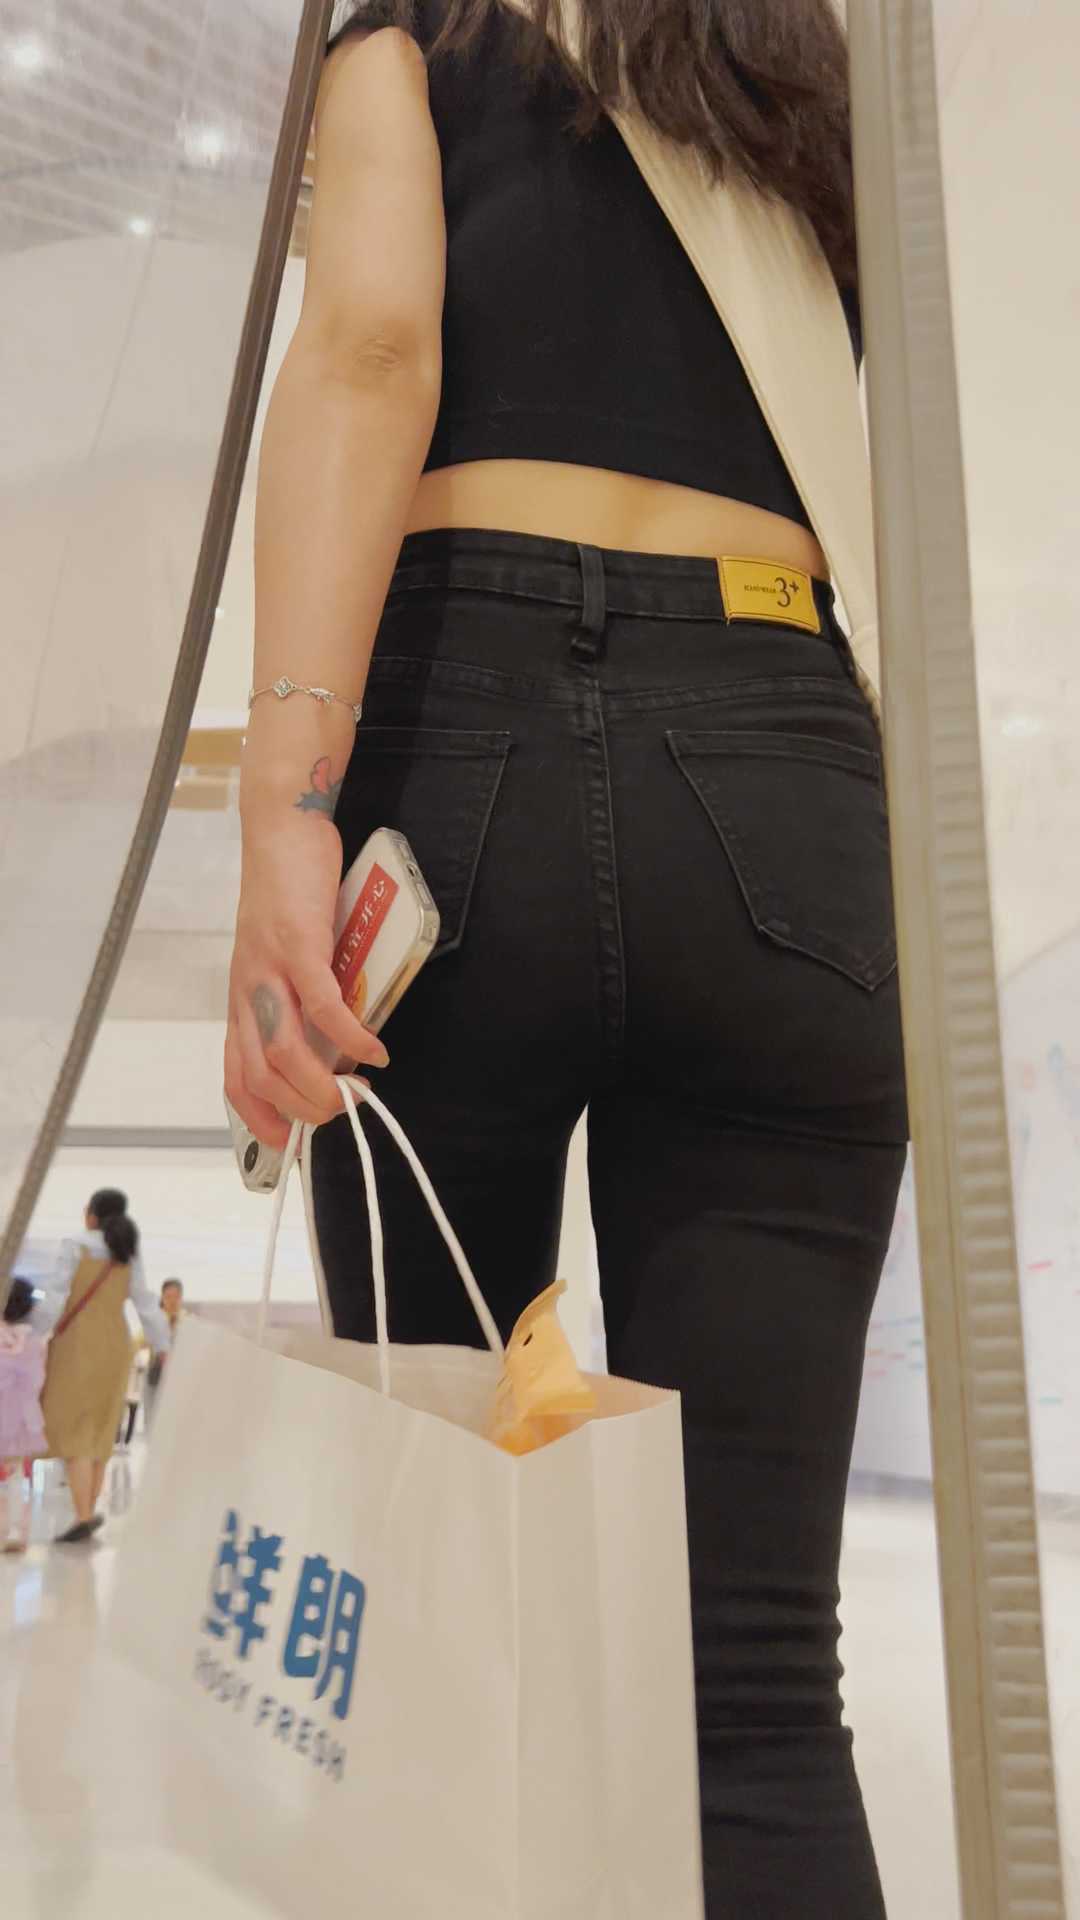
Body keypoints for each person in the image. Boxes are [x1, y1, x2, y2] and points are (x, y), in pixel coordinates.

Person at [225, 4, 907, 1914]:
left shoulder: (420, 16)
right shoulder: (809, 57)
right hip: (784, 757)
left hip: (465, 759)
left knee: (438, 1643)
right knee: (756, 1686)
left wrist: (283, 808)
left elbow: (371, 344)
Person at [40, 1190, 169, 1544]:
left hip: (77, 1343)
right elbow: (146, 1304)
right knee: (101, 1427)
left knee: (74, 1428)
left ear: (92, 1215)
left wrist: (33, 1332)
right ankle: (87, 1511)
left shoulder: (74, 1245)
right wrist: (163, 1346)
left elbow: (55, 1298)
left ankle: (83, 1515)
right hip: (116, 1345)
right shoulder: (128, 1253)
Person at [0, 1278, 48, 1553]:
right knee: (16, 1471)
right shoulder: (33, 1341)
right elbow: (37, 1379)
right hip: (20, 1413)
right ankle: (15, 1529)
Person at [143, 1278, 186, 1428]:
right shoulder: (154, 1320)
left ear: (181, 1298)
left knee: (172, 1423)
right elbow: (140, 1341)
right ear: (162, 1297)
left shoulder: (187, 1321)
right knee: (151, 1421)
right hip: (154, 1377)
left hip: (177, 1379)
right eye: (168, 1297)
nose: (172, 1301)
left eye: (176, 1297)